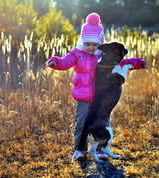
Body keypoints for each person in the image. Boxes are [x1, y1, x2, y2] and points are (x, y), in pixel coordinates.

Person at [45, 12, 146, 161]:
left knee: (103, 122)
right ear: (82, 41)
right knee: (81, 123)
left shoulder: (103, 55)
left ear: (100, 43)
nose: (91, 48)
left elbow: (122, 62)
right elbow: (64, 62)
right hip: (84, 97)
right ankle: (79, 150)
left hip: (102, 97)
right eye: (88, 44)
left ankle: (100, 149)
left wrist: (137, 63)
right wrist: (55, 61)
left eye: (94, 45)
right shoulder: (76, 53)